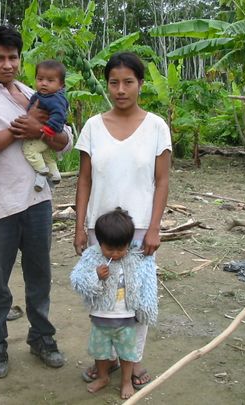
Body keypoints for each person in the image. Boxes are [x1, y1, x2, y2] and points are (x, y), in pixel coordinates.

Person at [0, 25, 72, 379]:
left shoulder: (35, 92)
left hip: (37, 200)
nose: (8, 64)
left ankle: (42, 338)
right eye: (0, 58)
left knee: (40, 276)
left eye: (14, 57)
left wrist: (43, 131)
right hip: (0, 204)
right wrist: (27, 126)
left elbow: (65, 141)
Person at [73, 52, 171, 389]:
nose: (120, 89)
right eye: (114, 82)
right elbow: (84, 180)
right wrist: (79, 227)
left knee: (137, 296)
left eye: (128, 82)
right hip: (100, 229)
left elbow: (162, 181)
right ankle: (106, 357)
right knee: (100, 291)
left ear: (140, 84)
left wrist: (155, 227)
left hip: (140, 227)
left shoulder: (157, 127)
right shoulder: (92, 127)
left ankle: (133, 357)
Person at [71, 208, 158, 399]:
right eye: (110, 249)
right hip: (100, 318)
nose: (116, 254)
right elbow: (77, 280)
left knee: (128, 353)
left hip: (126, 319)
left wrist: (144, 308)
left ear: (129, 243)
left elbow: (147, 283)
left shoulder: (135, 258)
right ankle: (103, 377)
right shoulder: (92, 257)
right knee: (100, 352)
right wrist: (95, 276)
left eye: (121, 249)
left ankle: (126, 381)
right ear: (100, 243)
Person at [24, 60, 69, 191]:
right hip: (47, 134)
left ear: (61, 85)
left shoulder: (54, 99)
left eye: (50, 81)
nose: (44, 83)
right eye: (40, 79)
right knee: (46, 154)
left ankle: (41, 172)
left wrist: (49, 129)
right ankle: (54, 174)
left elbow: (59, 115)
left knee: (29, 150)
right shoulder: (43, 95)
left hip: (47, 133)